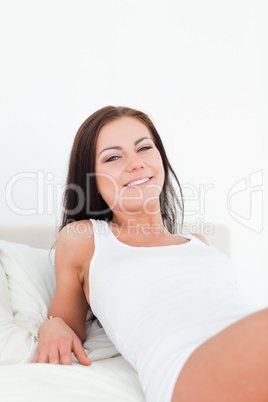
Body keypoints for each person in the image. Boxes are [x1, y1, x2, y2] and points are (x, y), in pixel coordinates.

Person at [32, 106, 268, 402]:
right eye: (114, 157)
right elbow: (67, 324)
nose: (136, 164)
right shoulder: (85, 238)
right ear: (91, 179)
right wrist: (50, 323)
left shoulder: (198, 242)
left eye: (144, 148)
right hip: (187, 366)